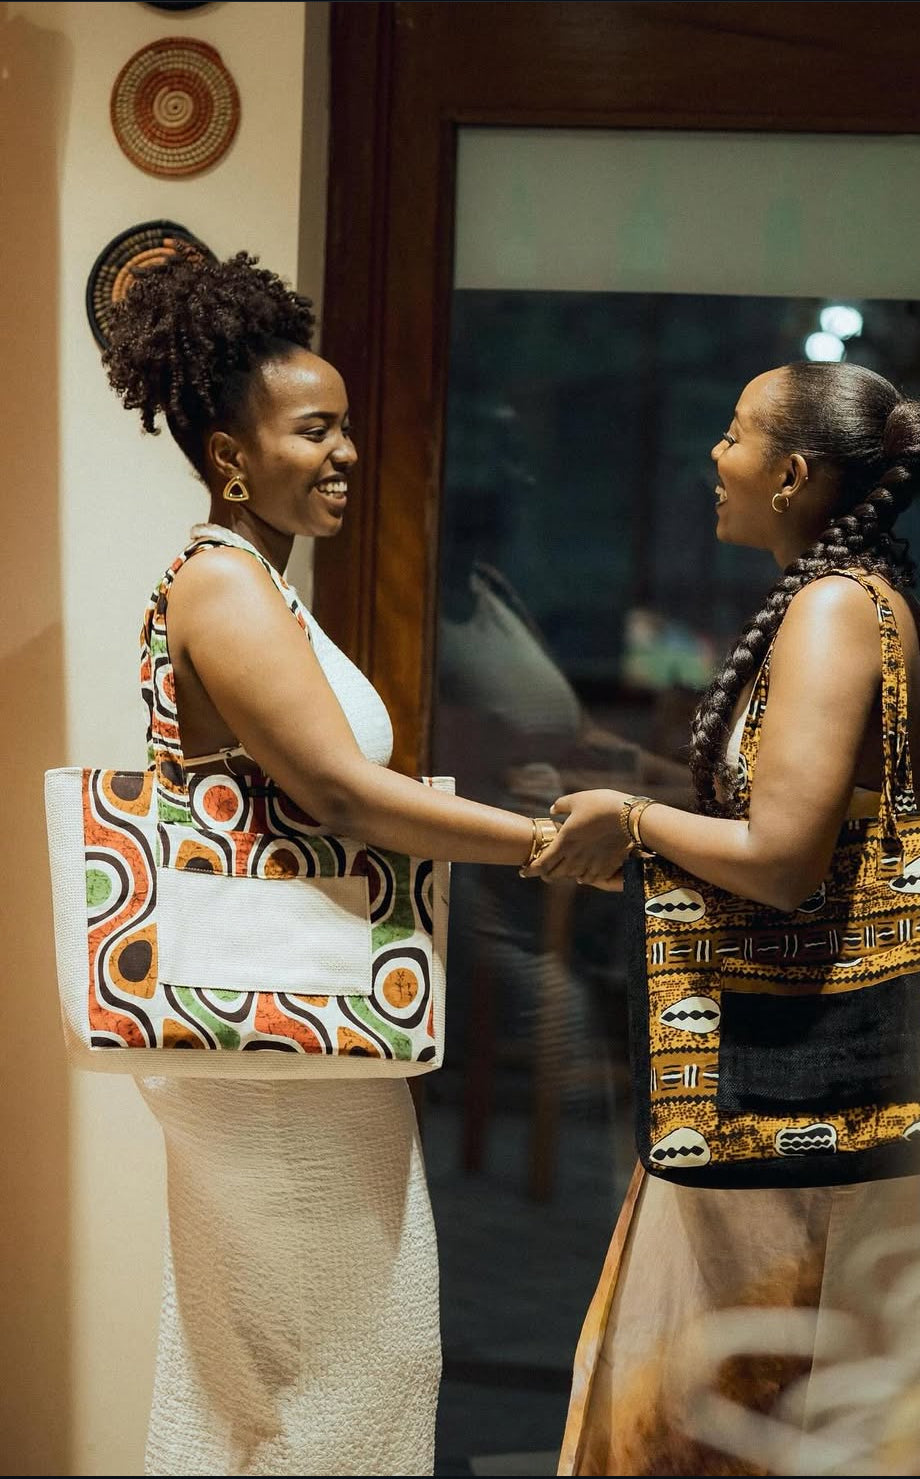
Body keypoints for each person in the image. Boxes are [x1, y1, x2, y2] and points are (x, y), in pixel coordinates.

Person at [100, 248, 560, 1477]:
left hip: (285, 1028)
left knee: (261, 1372)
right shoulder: (225, 586)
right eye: (317, 430)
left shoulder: (252, 582)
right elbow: (342, 795)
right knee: (351, 1364)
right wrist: (545, 846)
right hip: (275, 1046)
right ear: (230, 456)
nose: (348, 452)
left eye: (346, 426)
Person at [525, 360, 920, 1474]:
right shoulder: (885, 606)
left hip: (779, 1085)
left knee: (718, 1406)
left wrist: (632, 817)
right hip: (832, 1072)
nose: (714, 457)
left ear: (792, 473)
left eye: (732, 433)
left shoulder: (833, 608)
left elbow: (780, 859)